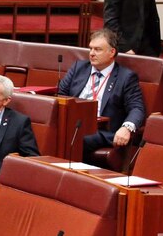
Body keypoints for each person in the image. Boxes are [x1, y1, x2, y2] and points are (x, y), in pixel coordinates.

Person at [57, 28, 145, 162]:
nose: (91, 53)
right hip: (73, 123)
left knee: (76, 138)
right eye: (90, 49)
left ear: (112, 52)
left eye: (97, 49)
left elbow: (137, 108)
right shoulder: (78, 68)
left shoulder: (125, 77)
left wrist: (126, 128)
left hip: (102, 131)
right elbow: (60, 95)